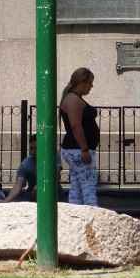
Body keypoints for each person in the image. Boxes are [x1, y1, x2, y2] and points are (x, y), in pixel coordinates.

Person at [59, 67, 100, 206]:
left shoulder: (73, 98)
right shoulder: (73, 99)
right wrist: (84, 150)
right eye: (89, 83)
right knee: (88, 186)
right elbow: (76, 126)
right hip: (78, 150)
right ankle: (92, 217)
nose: (91, 86)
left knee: (77, 186)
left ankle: (76, 212)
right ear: (81, 82)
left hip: (76, 150)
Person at [2, 134, 64, 203]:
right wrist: (6, 201)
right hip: (32, 194)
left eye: (37, 149)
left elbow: (55, 175)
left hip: (54, 194)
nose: (33, 152)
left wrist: (41, 185)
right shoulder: (26, 163)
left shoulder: (53, 155)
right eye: (31, 148)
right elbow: (18, 185)